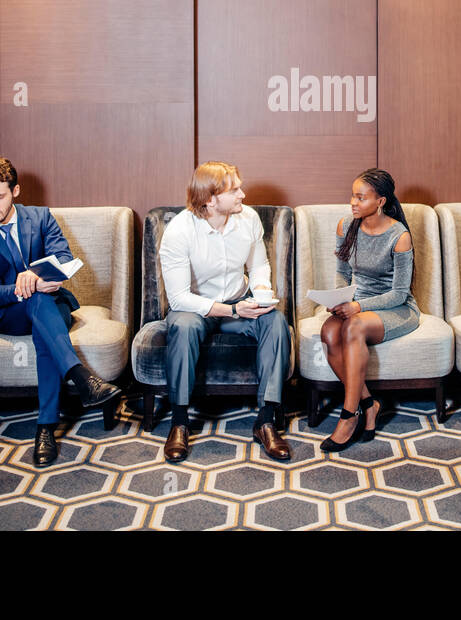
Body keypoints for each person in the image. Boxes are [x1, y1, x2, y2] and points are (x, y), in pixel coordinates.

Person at [0, 157, 122, 467]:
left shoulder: (41, 217)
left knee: (42, 316)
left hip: (53, 304)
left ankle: (46, 426)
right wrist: (25, 286)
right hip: (9, 314)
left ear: (15, 191)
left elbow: (63, 257)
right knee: (35, 304)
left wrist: (42, 277)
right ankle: (79, 381)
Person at [158, 161, 292, 463]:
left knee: (275, 321)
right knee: (183, 327)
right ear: (210, 199)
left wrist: (260, 295)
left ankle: (266, 420)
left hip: (238, 301)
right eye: (234, 190)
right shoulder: (179, 230)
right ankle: (179, 422)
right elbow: (178, 298)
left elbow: (259, 265)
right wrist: (231, 309)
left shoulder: (248, 219)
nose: (243, 194)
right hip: (195, 308)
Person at [318, 168, 420, 452]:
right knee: (328, 331)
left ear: (381, 201)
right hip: (355, 303)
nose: (353, 202)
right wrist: (339, 298)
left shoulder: (399, 236)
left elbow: (399, 293)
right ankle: (369, 405)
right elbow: (341, 272)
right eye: (352, 195)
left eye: (361, 198)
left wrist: (357, 306)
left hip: (394, 308)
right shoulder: (346, 225)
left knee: (354, 326)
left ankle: (349, 416)